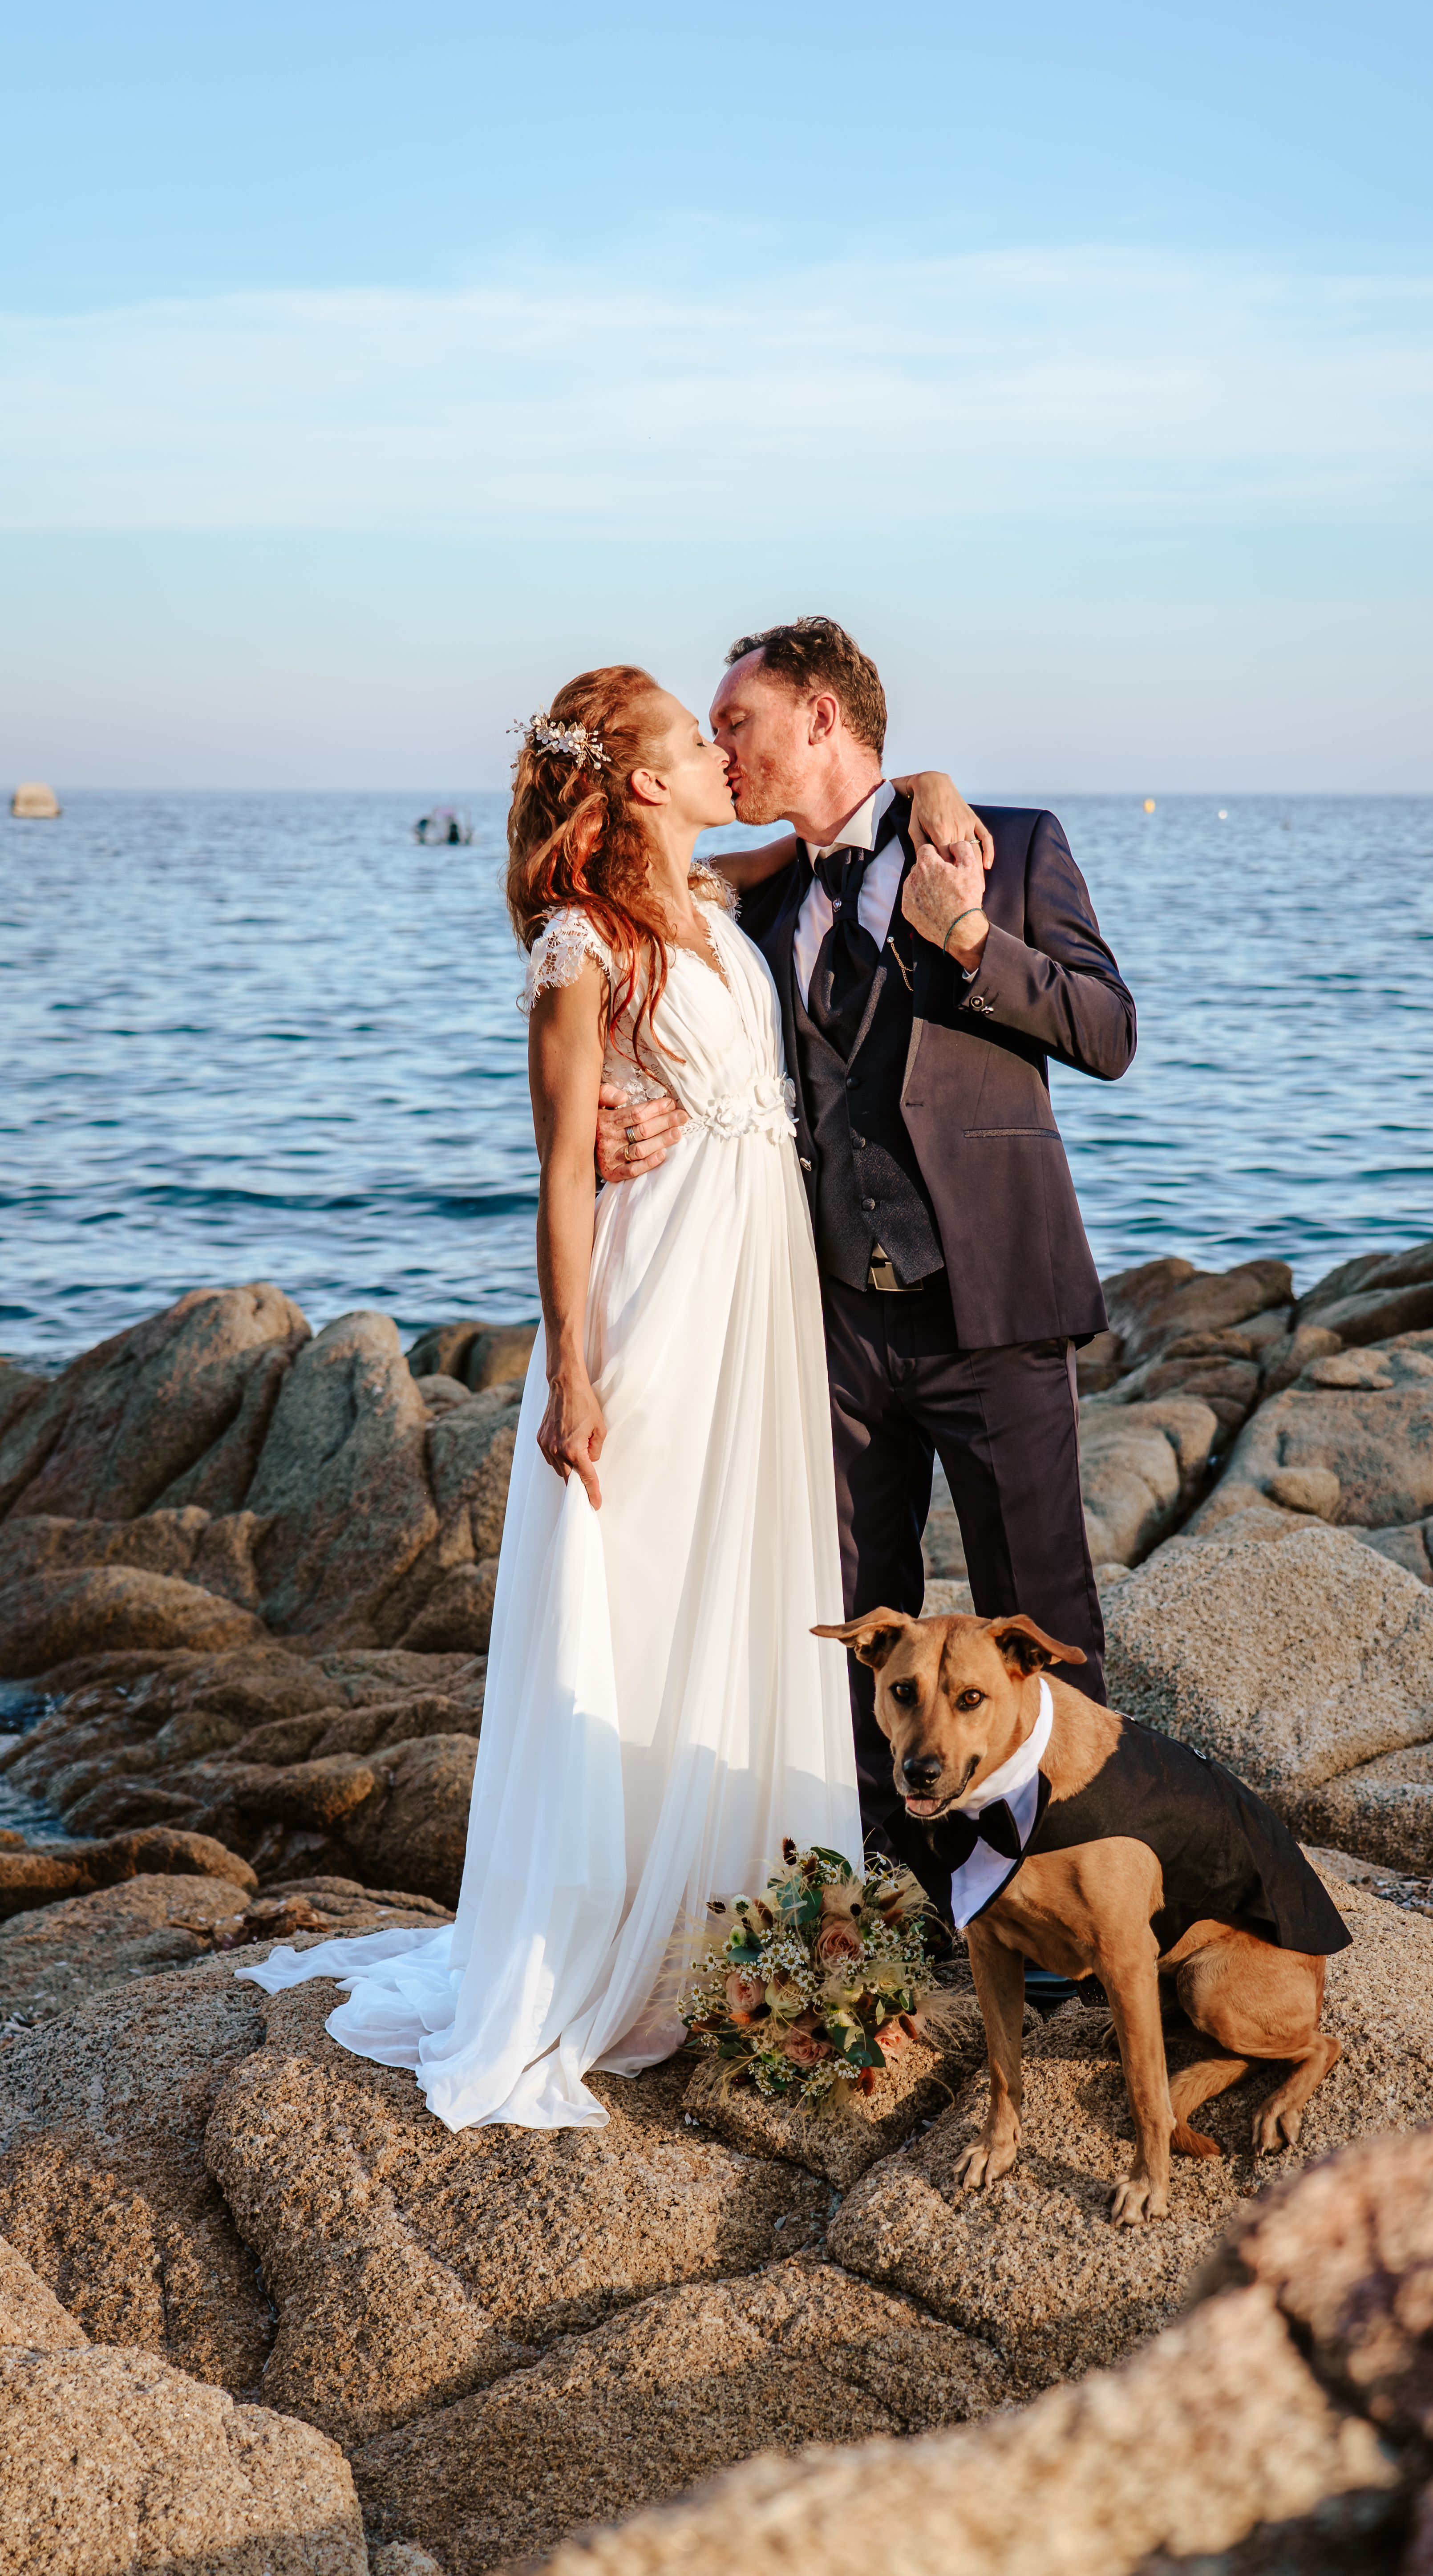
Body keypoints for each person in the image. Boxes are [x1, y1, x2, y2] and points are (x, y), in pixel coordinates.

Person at [237, 665, 987, 2129]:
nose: (724, 753)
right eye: (692, 741)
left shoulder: (719, 897)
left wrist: (936, 788)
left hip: (755, 1312)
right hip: (656, 1308)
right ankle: (617, 1951)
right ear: (640, 782)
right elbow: (560, 1182)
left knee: (745, 1590)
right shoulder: (583, 947)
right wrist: (571, 1369)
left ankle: (743, 1927)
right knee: (640, 1602)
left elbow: (857, 830)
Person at [597, 618, 1136, 1844]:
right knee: (852, 1625)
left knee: (1038, 1615)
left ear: (821, 718)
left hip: (991, 1309)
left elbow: (1107, 1032)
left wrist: (967, 936)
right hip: (827, 1321)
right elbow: (630, 993)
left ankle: (1065, 1888)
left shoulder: (1009, 847)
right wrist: (592, 1130)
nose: (721, 746)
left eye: (738, 721)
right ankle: (888, 1900)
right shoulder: (760, 887)